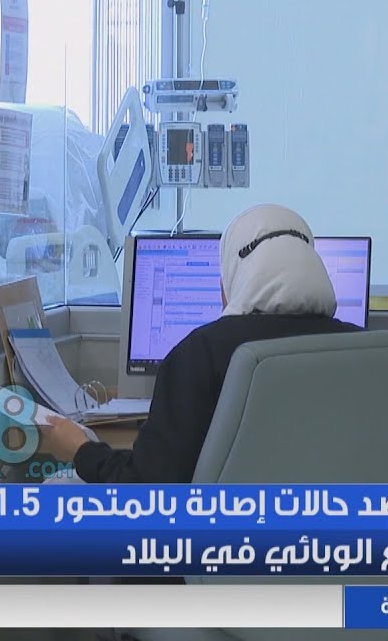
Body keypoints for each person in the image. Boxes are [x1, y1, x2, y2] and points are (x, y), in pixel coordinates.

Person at [39, 204, 360, 483]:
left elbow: (147, 487)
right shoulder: (365, 351)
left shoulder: (201, 353)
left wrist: (81, 450)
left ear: (233, 281)